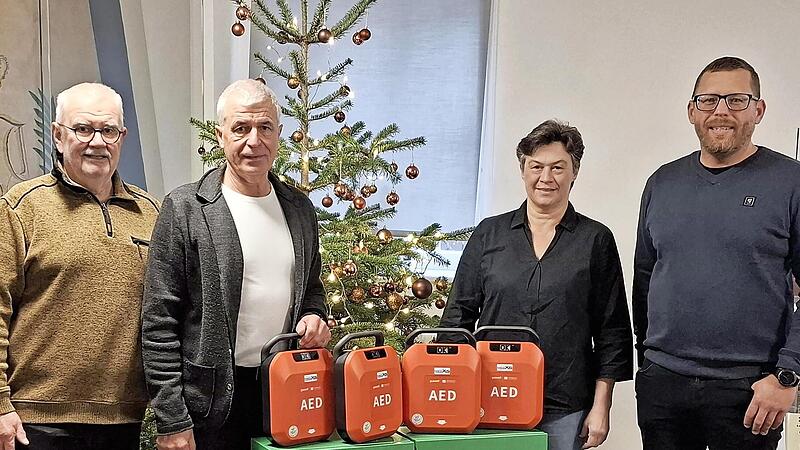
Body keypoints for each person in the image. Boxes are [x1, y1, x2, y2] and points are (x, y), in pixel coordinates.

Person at [142, 79, 330, 450]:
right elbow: (158, 321)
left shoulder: (299, 208)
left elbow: (311, 288)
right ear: (221, 134)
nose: (253, 141)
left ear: (279, 134)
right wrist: (171, 419)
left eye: (264, 128)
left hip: (285, 394)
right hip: (208, 406)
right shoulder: (186, 208)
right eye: (241, 128)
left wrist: (314, 315)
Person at [633, 56, 800, 450]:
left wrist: (787, 376)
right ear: (692, 111)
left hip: (752, 391)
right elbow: (644, 278)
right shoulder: (662, 182)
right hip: (664, 386)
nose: (721, 111)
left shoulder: (791, 182)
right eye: (708, 100)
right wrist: (648, 364)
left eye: (737, 100)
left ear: (758, 110)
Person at [440, 119, 633, 450]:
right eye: (536, 166)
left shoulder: (595, 240)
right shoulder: (489, 234)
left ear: (575, 172)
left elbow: (611, 330)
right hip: (489, 398)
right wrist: (451, 389)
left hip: (564, 404)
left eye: (558, 167)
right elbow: (458, 315)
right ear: (523, 169)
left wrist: (602, 405)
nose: (546, 178)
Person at [0, 82, 160, 450]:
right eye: (83, 129)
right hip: (34, 420)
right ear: (58, 136)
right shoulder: (22, 208)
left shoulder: (150, 213)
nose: (97, 142)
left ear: (122, 137)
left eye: (109, 131)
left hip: (124, 419)